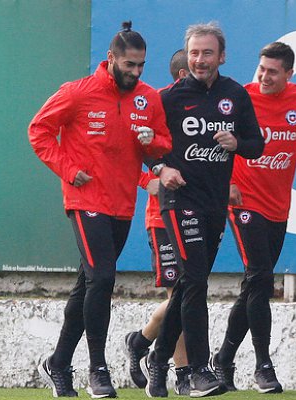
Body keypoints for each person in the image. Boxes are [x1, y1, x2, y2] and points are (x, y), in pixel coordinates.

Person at [29, 21, 172, 398]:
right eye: (129, 65)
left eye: (141, 65)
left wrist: (152, 141)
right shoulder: (77, 92)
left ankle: (58, 362)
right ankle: (98, 369)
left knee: (88, 284)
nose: (136, 72)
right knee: (103, 278)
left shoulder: (149, 98)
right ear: (111, 59)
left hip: (122, 204)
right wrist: (68, 169)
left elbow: (160, 146)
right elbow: (39, 131)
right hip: (85, 201)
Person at [140, 22, 264, 398]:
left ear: (221, 56)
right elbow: (142, 142)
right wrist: (162, 169)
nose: (199, 59)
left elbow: (257, 144)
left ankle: (157, 362)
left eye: (207, 52)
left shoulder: (235, 95)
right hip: (179, 202)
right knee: (195, 281)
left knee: (187, 285)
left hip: (214, 204)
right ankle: (198, 369)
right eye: (194, 52)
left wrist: (236, 141)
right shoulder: (170, 97)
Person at [210, 41, 296, 394]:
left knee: (255, 284)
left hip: (278, 207)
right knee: (261, 279)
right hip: (243, 201)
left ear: (289, 75)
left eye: (273, 72)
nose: (264, 76)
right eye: (261, 68)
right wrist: (230, 182)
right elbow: (221, 143)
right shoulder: (241, 97)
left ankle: (224, 358)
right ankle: (263, 365)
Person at [124, 48, 190, 396]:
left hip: (193, 212)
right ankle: (180, 371)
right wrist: (145, 180)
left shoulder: (205, 110)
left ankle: (141, 341)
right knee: (180, 292)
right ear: (183, 74)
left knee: (186, 292)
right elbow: (125, 152)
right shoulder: (155, 104)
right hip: (162, 215)